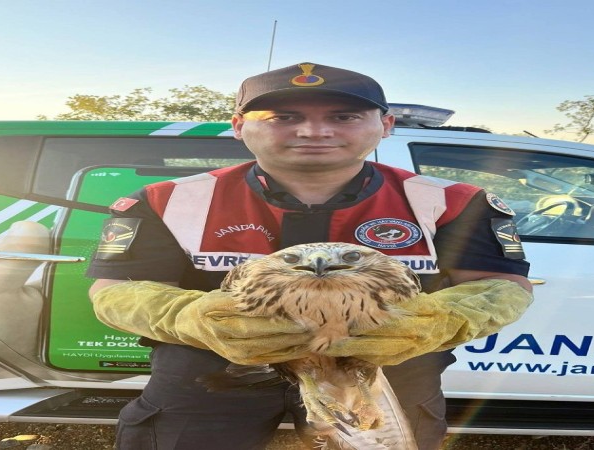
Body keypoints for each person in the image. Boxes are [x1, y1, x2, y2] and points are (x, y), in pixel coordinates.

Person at [87, 62, 533, 450]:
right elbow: (115, 289)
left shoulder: (455, 201)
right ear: (238, 125)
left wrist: (439, 320)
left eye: (344, 116)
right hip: (211, 373)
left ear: (386, 124)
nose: (314, 131)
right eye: (284, 117)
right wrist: (191, 316)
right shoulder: (165, 199)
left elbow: (501, 285)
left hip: (387, 373)